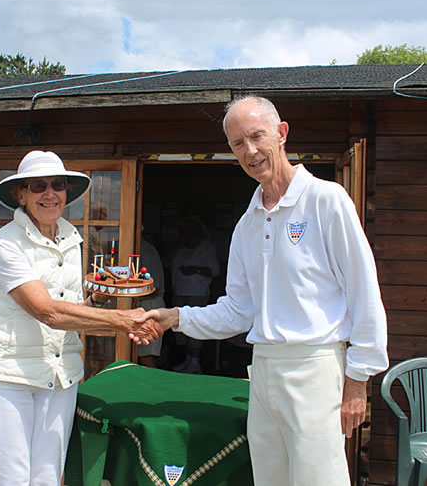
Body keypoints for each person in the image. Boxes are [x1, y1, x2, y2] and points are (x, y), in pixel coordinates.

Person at [136, 96, 388, 486]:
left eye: (257, 136)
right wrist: (175, 318)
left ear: (281, 133)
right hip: (264, 371)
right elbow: (237, 311)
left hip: (316, 368)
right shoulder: (246, 225)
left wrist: (359, 380)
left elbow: (364, 293)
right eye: (238, 143)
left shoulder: (327, 200)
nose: (250, 151)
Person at [0, 150, 162, 486]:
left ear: (66, 192)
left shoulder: (71, 239)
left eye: (57, 185)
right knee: (13, 476)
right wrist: (124, 321)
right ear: (22, 194)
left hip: (59, 374)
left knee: (48, 473)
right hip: (6, 374)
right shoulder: (4, 246)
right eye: (38, 186)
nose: (50, 193)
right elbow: (46, 310)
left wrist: (97, 300)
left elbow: (67, 307)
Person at [168, 216, 219, 373]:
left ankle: (195, 362)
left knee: (196, 325)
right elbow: (167, 261)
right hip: (179, 292)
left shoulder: (206, 247)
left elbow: (215, 271)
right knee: (182, 328)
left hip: (197, 293)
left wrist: (195, 269)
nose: (187, 233)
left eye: (190, 229)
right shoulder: (180, 248)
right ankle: (188, 360)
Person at [137, 236, 166, 368]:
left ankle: (157, 388)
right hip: (144, 304)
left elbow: (153, 286)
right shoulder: (142, 248)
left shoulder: (145, 250)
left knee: (146, 357)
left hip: (149, 305)